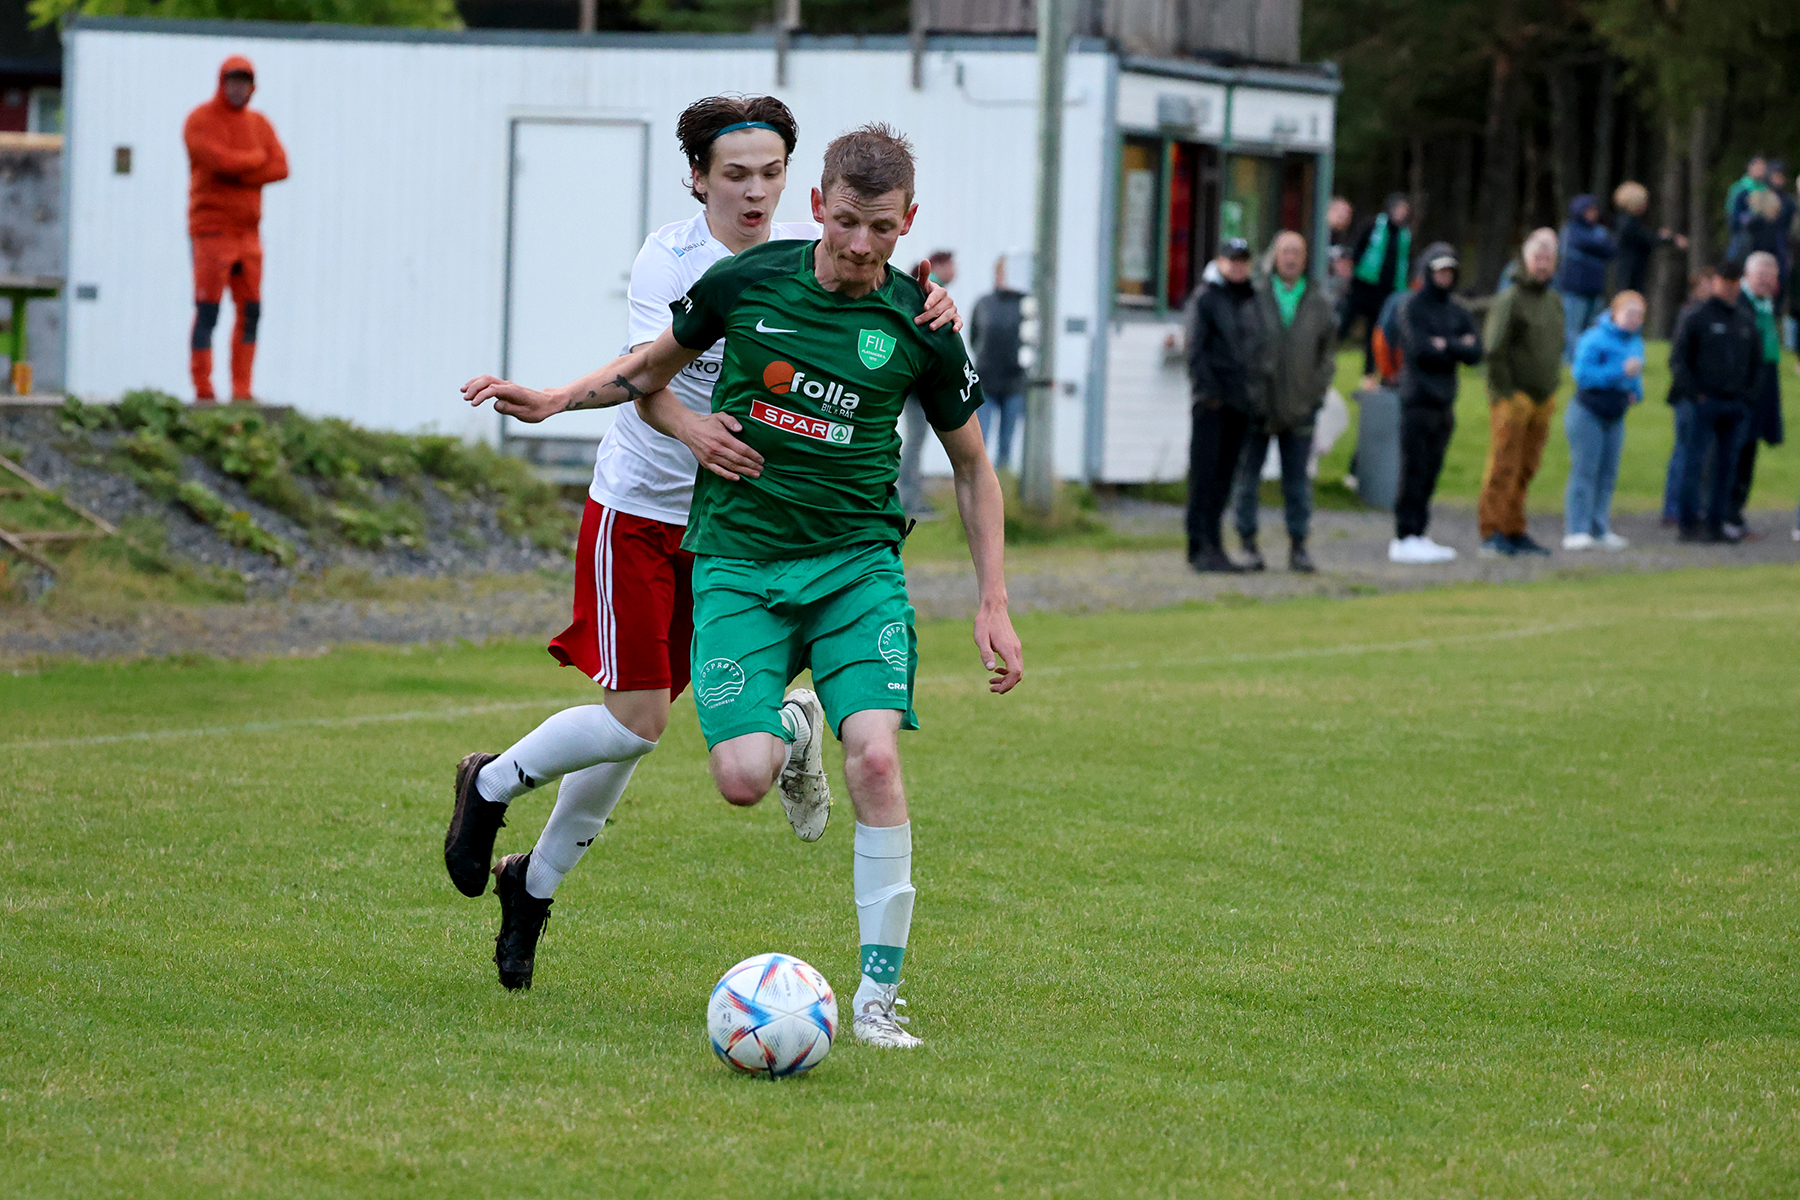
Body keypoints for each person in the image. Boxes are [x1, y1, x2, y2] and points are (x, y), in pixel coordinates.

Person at [471, 123, 1021, 1050]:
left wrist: (994, 601)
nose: (858, 244)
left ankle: (881, 1002)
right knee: (739, 777)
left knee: (878, 759)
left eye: (880, 227)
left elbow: (973, 468)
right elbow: (648, 376)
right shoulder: (741, 283)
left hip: (857, 568)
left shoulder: (920, 321)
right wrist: (556, 398)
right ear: (818, 206)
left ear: (907, 222)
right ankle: (791, 724)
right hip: (739, 566)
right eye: (845, 221)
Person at [183, 56, 287, 405]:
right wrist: (254, 160)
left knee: (251, 310)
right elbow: (215, 161)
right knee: (208, 309)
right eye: (232, 80)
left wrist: (238, 170)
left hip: (248, 235)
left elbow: (281, 167)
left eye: (244, 81)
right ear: (221, 82)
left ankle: (242, 390)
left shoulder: (259, 123)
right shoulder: (199, 120)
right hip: (211, 232)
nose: (238, 87)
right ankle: (204, 389)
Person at [1232, 231, 1334, 573]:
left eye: (1297, 252)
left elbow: (1327, 356)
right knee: (1247, 478)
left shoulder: (1318, 302)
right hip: (1258, 406)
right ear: (1274, 256)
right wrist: (1250, 392)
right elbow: (1242, 346)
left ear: (1305, 258)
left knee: (1297, 483)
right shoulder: (1256, 296)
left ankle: (1299, 546)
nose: (1291, 258)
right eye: (1285, 251)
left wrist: (1314, 395)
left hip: (1300, 407)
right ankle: (1247, 542)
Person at [1389, 243, 1481, 564]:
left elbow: (1475, 351)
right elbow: (1420, 350)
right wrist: (1454, 346)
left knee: (1431, 471)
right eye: (1439, 270)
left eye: (1449, 271)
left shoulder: (1457, 311)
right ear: (1428, 272)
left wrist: (1447, 345)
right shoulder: (1413, 307)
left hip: (1445, 401)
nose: (1444, 276)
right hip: (1417, 399)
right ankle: (1404, 535)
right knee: (1413, 470)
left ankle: (1420, 532)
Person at [1477, 228, 1563, 558]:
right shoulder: (1510, 298)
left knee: (1528, 466)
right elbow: (1494, 347)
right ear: (1526, 260)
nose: (1543, 265)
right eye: (1538, 258)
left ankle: (1514, 526)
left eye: (1548, 259)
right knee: (1503, 464)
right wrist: (1506, 392)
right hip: (1514, 397)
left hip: (1544, 396)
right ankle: (1491, 528)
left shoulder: (1553, 300)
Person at [1184, 237, 1264, 573]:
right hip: (1213, 402)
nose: (1238, 266)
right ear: (1220, 261)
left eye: (1243, 260)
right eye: (1232, 259)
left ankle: (1214, 543)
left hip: (1239, 400)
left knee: (1225, 477)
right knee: (1205, 476)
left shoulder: (1251, 299)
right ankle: (1200, 544)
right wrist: (1208, 391)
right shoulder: (1206, 299)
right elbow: (1196, 348)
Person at [1669, 259, 1761, 543]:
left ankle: (1716, 522)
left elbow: (1756, 364)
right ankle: (1688, 522)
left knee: (1726, 466)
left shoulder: (1745, 319)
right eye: (1724, 281)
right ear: (1716, 282)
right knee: (1694, 463)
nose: (1729, 288)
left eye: (1734, 282)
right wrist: (1695, 393)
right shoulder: (1697, 316)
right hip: (1703, 401)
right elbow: (1679, 359)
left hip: (1734, 403)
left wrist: (1747, 397)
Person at [1563, 290, 1646, 551]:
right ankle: (1577, 529)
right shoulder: (1594, 339)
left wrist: (1636, 391)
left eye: (1639, 315)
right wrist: (1618, 373)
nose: (1634, 320)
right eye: (1629, 313)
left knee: (1608, 472)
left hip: (1616, 413)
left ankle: (1599, 527)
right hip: (1588, 411)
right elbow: (1583, 375)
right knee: (1585, 470)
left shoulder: (1636, 342)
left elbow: (1635, 377)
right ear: (1615, 313)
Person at [1725, 251, 1786, 538]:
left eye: (1770, 276)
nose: (1766, 281)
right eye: (1761, 275)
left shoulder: (1766, 304)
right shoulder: (1740, 303)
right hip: (1743, 389)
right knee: (1734, 451)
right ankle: (1724, 514)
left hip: (1764, 387)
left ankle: (1736, 514)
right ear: (1747, 275)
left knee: (1750, 452)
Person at [897, 249, 957, 517]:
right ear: (940, 265)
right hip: (919, 382)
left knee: (914, 439)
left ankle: (910, 496)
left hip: (913, 379)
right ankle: (909, 498)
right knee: (915, 440)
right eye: (953, 265)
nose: (956, 271)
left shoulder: (919, 286)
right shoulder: (933, 289)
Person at [1347, 194, 1413, 381]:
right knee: (1347, 320)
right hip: (1365, 285)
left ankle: (1370, 372)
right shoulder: (1373, 225)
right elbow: (1357, 248)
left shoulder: (1404, 234)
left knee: (1375, 332)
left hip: (1387, 291)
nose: (1401, 213)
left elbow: (1404, 261)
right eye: (1399, 208)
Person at [970, 255, 1026, 470]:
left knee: (1007, 444)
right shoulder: (984, 303)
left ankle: (1003, 489)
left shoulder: (1025, 303)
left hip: (1014, 384)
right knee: (979, 441)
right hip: (986, 383)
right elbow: (974, 337)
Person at [1554, 195, 1615, 360]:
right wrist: (1599, 246)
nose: (1592, 214)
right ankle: (1570, 360)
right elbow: (1587, 244)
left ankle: (1589, 359)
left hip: (1595, 288)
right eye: (1589, 210)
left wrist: (1598, 246)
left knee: (1593, 329)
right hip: (1574, 289)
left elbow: (1611, 249)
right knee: (1572, 329)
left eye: (1595, 210)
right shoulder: (1569, 230)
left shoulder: (1599, 231)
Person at [1610, 181, 1686, 295]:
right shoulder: (1629, 224)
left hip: (1630, 273)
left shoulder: (1625, 221)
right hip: (1630, 274)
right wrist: (1669, 239)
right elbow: (1648, 239)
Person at [1725, 155, 1770, 256]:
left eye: (1763, 168)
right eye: (1759, 168)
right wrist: (1753, 214)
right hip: (1743, 238)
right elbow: (1733, 217)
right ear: (1750, 167)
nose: (1762, 171)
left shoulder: (1766, 189)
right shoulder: (1739, 189)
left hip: (1762, 239)